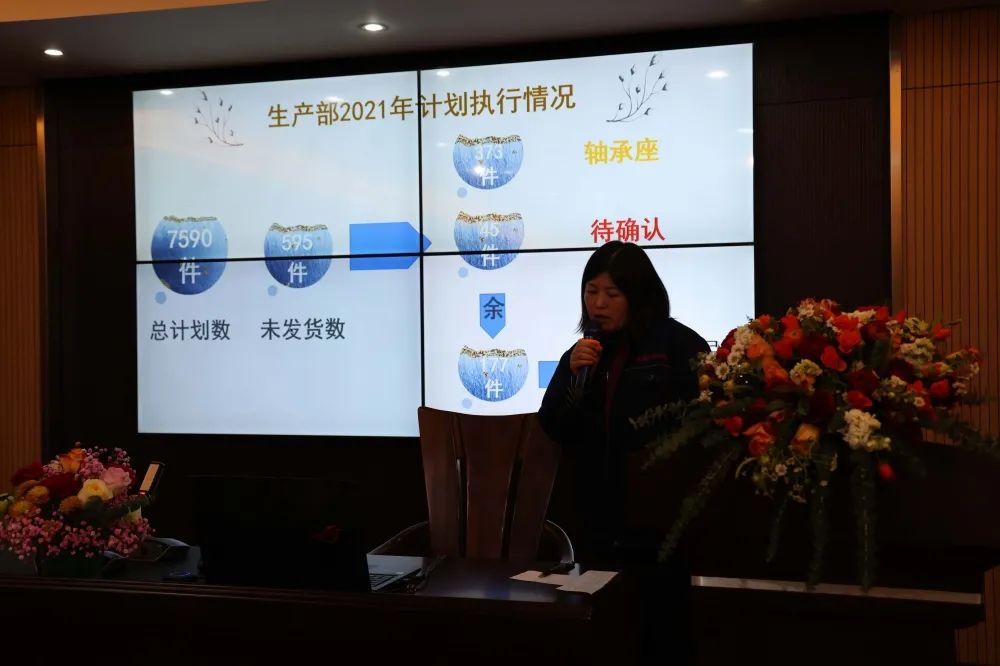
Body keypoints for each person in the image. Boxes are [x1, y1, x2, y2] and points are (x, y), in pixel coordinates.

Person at [538, 240, 709, 664]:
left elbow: (705, 425)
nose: (598, 304)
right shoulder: (581, 354)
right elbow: (553, 425)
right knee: (606, 635)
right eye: (591, 291)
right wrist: (575, 378)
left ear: (638, 295)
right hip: (597, 520)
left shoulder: (677, 345)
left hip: (661, 525)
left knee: (663, 635)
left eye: (612, 294)